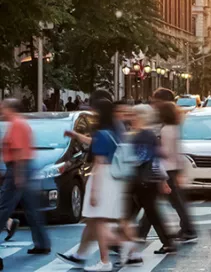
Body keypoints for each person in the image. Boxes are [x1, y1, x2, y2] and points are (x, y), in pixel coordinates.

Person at [57, 99, 125, 272]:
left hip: (102, 177)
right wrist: (76, 135)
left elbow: (99, 162)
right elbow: (94, 143)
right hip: (113, 177)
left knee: (99, 221)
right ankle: (80, 255)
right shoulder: (112, 132)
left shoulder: (102, 133)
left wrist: (94, 190)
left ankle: (105, 261)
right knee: (93, 220)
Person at [0, 99, 51, 256]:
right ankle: (42, 244)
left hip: (18, 168)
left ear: (11, 109)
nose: (1, 110)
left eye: (4, 107)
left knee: (3, 208)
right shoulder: (20, 123)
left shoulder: (16, 124)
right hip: (23, 168)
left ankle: (42, 243)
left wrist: (18, 175)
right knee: (32, 210)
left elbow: (18, 150)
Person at [141, 101, 197, 242]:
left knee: (155, 202)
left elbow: (166, 151)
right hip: (172, 169)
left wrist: (153, 148)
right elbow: (177, 151)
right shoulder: (174, 128)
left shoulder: (165, 130)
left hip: (166, 170)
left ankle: (189, 229)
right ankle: (141, 231)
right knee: (160, 202)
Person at [125, 104, 175, 257]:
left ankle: (167, 242)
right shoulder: (150, 135)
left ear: (140, 117)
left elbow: (141, 159)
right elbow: (157, 160)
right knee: (137, 212)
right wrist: (163, 180)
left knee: (132, 213)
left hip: (141, 181)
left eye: (134, 115)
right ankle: (167, 242)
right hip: (148, 180)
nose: (131, 118)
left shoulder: (139, 136)